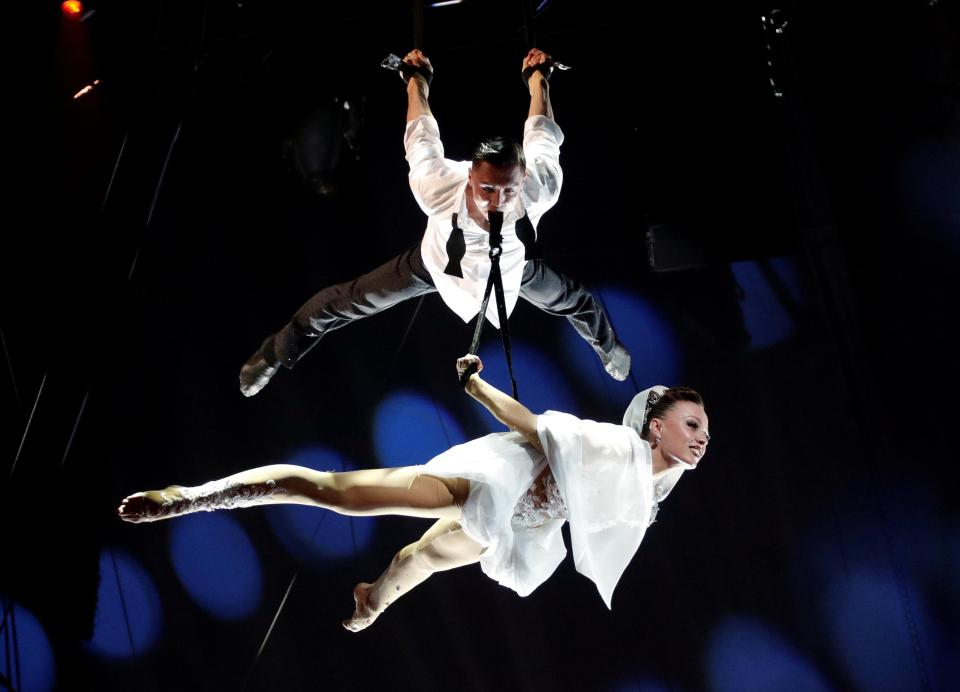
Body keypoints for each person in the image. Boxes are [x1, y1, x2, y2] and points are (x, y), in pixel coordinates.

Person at [118, 355, 709, 631]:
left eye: (705, 431)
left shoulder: (653, 487)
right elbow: (531, 425)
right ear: (656, 426)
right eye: (692, 425)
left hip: (515, 529)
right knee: (337, 493)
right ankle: (193, 496)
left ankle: (370, 603)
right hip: (490, 484)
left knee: (415, 560)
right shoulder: (616, 447)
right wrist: (474, 385)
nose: (702, 438)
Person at [239, 48, 631, 397]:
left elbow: (542, 135)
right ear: (471, 177)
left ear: (522, 178)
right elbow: (421, 135)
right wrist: (417, 81)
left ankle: (609, 347)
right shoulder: (438, 188)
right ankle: (275, 351)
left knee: (577, 301)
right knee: (347, 300)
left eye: (508, 191)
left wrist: (538, 79)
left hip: (513, 267)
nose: (497, 201)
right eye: (487, 189)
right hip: (437, 264)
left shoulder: (538, 188)